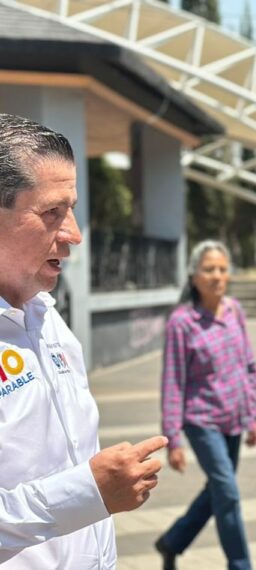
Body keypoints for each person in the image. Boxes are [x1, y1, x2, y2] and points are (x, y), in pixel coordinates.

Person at [0, 114, 168, 568]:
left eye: (71, 208)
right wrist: (87, 492)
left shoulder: (49, 320)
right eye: (52, 212)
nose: (73, 233)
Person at [155, 240, 256, 570]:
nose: (217, 276)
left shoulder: (235, 311)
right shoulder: (182, 322)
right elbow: (173, 381)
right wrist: (173, 438)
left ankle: (172, 541)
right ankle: (241, 566)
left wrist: (253, 416)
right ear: (194, 276)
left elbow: (249, 365)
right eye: (209, 269)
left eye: (222, 269)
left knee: (217, 491)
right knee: (227, 493)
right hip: (201, 422)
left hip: (234, 420)